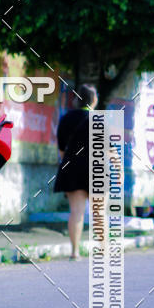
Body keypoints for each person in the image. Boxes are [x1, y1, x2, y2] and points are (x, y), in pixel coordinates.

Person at [53, 83, 98, 259]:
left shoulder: (65, 119)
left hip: (72, 169)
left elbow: (62, 150)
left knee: (76, 212)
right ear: (94, 100)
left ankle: (75, 251)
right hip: (96, 169)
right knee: (99, 213)